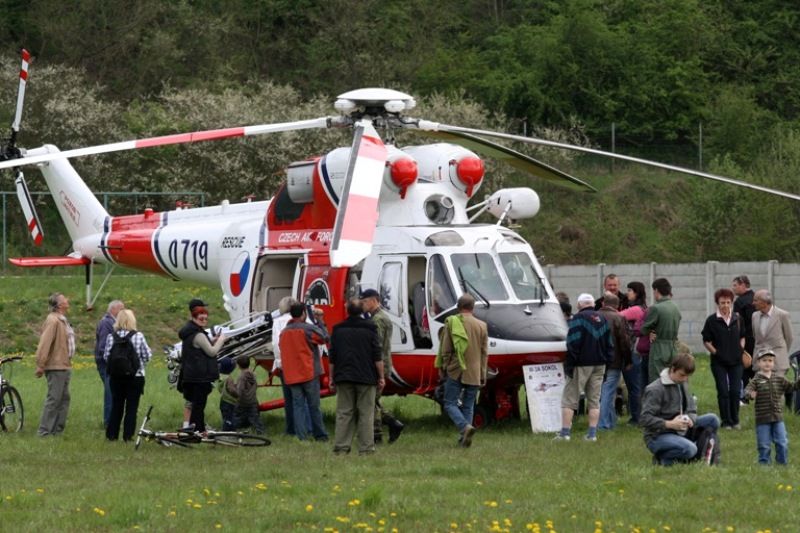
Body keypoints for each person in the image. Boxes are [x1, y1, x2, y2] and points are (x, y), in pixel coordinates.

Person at [640, 353, 721, 466]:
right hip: (658, 435)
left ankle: (701, 452)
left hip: (681, 429)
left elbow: (691, 408)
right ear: (673, 369)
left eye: (687, 376)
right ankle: (663, 458)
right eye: (682, 375)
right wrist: (670, 424)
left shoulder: (682, 382)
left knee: (713, 420)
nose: (685, 379)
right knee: (690, 449)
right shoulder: (655, 389)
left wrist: (690, 419)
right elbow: (644, 419)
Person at [330, 297, 385, 455]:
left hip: (343, 375)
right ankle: (366, 448)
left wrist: (332, 377)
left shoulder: (338, 329)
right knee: (366, 413)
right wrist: (381, 376)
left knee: (343, 412)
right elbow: (377, 355)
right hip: (366, 376)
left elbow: (332, 357)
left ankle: (341, 447)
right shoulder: (370, 328)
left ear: (347, 310)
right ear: (362, 311)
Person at [555, 293, 612, 441]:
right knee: (594, 400)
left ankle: (565, 433)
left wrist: (570, 363)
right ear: (593, 304)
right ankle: (592, 434)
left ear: (579, 305)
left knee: (569, 398)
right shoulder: (603, 319)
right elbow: (610, 345)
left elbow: (573, 342)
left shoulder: (578, 318)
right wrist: (607, 362)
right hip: (600, 364)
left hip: (580, 364)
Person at [435, 293, 489, 447]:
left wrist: (443, 366)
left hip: (456, 370)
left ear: (458, 308)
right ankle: (464, 439)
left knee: (449, 403)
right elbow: (484, 352)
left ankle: (464, 427)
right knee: (469, 405)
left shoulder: (452, 322)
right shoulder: (482, 325)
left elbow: (445, 348)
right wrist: (483, 372)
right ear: (473, 308)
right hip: (475, 371)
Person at [279, 301, 330, 441]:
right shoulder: (308, 329)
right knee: (314, 406)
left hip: (291, 376)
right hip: (309, 374)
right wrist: (320, 321)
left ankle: (302, 437)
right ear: (303, 313)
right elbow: (325, 337)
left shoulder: (284, 332)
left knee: (298, 406)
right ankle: (320, 435)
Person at [360, 288, 404, 444]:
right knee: (373, 400)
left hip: (378, 365)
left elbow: (375, 345)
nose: (362, 305)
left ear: (373, 300)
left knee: (370, 402)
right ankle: (393, 424)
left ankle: (377, 434)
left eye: (364, 302)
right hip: (381, 364)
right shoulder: (380, 317)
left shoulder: (377, 320)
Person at [102, 309, 152, 441]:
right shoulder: (138, 336)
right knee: (132, 407)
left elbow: (107, 356)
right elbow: (147, 355)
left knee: (116, 405)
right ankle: (128, 435)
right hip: (135, 376)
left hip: (116, 377)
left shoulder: (111, 337)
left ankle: (111, 435)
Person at [744, 349, 800, 465]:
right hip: (762, 418)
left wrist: (798, 382)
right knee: (764, 444)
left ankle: (782, 464)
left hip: (778, 418)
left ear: (773, 363)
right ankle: (764, 465)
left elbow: (791, 387)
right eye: (764, 360)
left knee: (782, 442)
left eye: (770, 360)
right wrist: (750, 394)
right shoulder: (756, 380)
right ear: (758, 363)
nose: (767, 363)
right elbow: (746, 391)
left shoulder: (779, 379)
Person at [178, 298, 226, 433]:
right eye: (201, 317)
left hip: (190, 374)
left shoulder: (189, 331)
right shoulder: (198, 334)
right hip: (199, 376)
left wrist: (211, 340)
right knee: (199, 406)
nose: (204, 320)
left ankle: (196, 429)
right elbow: (212, 352)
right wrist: (221, 340)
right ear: (195, 315)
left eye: (205, 318)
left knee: (196, 405)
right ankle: (197, 430)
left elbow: (197, 346)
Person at [701, 288, 745, 429]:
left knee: (735, 391)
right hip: (719, 362)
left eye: (728, 302)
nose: (725, 305)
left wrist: (740, 349)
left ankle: (735, 420)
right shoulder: (711, 320)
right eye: (722, 302)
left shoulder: (738, 318)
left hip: (736, 362)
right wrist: (715, 352)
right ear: (717, 303)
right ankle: (726, 421)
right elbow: (706, 340)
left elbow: (743, 336)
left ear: (731, 303)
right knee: (723, 391)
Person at [35, 292, 75, 437]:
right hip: (56, 365)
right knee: (54, 399)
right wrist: (40, 364)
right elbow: (44, 343)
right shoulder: (53, 321)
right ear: (59, 305)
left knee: (64, 399)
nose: (67, 300)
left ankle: (57, 430)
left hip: (64, 365)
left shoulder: (61, 320)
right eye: (65, 299)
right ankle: (44, 431)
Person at [271, 296, 311, 436]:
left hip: (286, 365)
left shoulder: (278, 322)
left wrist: (279, 363)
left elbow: (276, 344)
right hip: (304, 365)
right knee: (304, 398)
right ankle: (307, 427)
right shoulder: (305, 321)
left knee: (289, 398)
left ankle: (291, 428)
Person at [597, 293, 634, 430]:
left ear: (602, 303)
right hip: (613, 361)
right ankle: (603, 424)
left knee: (605, 392)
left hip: (595, 361)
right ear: (618, 306)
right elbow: (624, 342)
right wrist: (628, 360)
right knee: (607, 392)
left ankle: (611, 422)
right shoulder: (619, 318)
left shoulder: (594, 317)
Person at [641, 278, 681, 380]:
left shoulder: (656, 308)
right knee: (672, 379)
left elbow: (644, 329)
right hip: (673, 347)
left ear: (656, 290)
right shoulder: (675, 307)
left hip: (659, 348)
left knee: (657, 381)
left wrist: (650, 332)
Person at [619, 281, 648, 421]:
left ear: (636, 292)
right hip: (636, 353)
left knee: (633, 387)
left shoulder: (636, 309)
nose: (627, 293)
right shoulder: (643, 308)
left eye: (630, 290)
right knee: (635, 386)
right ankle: (636, 415)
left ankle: (637, 417)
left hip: (632, 352)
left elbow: (617, 316)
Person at [95, 300, 124, 428]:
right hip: (106, 363)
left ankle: (112, 420)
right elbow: (103, 346)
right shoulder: (106, 323)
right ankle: (108, 422)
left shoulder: (113, 322)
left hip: (111, 363)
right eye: (121, 309)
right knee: (110, 392)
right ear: (113, 309)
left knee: (114, 391)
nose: (123, 312)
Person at [752, 290, 794, 378]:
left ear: (764, 302)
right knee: (760, 390)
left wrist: (781, 353)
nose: (753, 303)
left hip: (778, 363)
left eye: (756, 300)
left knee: (776, 390)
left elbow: (789, 338)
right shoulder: (754, 316)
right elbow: (756, 337)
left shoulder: (783, 315)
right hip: (760, 363)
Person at [732, 275, 756, 398]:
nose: (733, 288)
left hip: (745, 340)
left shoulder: (740, 302)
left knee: (742, 368)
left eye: (735, 285)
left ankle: (745, 396)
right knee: (757, 367)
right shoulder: (756, 297)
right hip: (758, 340)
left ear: (743, 284)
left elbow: (738, 323)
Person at [234, 355, 265, 434]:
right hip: (253, 400)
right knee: (255, 417)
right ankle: (260, 431)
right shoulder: (253, 374)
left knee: (237, 416)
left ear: (239, 365)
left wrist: (235, 396)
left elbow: (240, 390)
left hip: (242, 402)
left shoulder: (242, 376)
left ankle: (233, 429)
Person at [217, 357, 238, 431]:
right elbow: (231, 390)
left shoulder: (221, 376)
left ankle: (226, 429)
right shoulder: (229, 378)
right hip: (230, 402)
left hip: (223, 400)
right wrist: (238, 395)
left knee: (225, 417)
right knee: (230, 418)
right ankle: (227, 431)